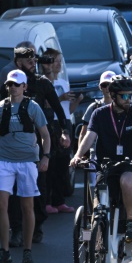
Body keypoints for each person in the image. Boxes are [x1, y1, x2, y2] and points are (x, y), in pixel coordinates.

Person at [0, 46, 69, 246]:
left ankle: (36, 226)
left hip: (38, 146)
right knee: (13, 193)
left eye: (34, 60)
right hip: (11, 148)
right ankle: (16, 229)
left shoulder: (42, 83)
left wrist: (64, 132)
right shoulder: (9, 85)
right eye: (28, 60)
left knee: (38, 189)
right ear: (18, 62)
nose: (33, 63)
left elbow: (59, 110)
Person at [70, 78, 132, 244]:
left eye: (131, 96)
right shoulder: (99, 114)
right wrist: (78, 155)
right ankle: (97, 232)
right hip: (106, 164)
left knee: (127, 181)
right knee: (99, 196)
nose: (129, 100)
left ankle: (130, 222)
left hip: (130, 162)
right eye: (124, 96)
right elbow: (89, 137)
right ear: (113, 96)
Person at [0, 70, 51, 263]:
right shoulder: (1, 107)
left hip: (27, 161)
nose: (12, 87)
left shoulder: (33, 107)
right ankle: (5, 251)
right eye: (9, 84)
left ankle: (27, 250)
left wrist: (46, 157)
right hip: (4, 161)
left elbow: (45, 135)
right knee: (2, 205)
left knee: (27, 206)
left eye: (16, 84)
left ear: (24, 87)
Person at [38, 48, 76, 215]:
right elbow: (46, 104)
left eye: (60, 61)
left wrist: (76, 100)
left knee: (62, 164)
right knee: (50, 165)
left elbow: (69, 109)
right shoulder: (42, 82)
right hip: (50, 123)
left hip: (64, 122)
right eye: (56, 61)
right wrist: (60, 98)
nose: (59, 64)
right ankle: (47, 202)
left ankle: (59, 201)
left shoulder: (62, 82)